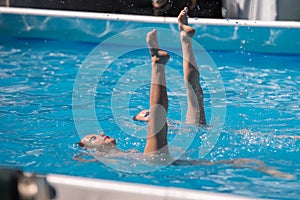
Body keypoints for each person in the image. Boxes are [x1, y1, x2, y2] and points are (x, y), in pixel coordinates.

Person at [75, 8, 294, 180]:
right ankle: (178, 46)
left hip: (165, 155)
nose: (101, 135)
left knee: (190, 96)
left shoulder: (124, 152)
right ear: (92, 151)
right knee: (189, 99)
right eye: (94, 138)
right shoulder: (106, 159)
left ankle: (168, 54)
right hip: (160, 158)